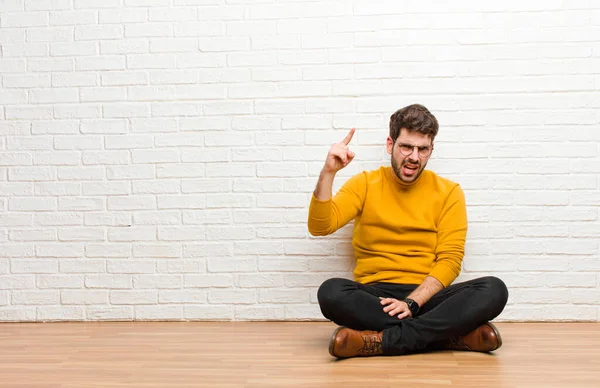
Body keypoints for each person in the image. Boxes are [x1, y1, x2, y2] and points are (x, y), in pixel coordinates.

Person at [307, 104, 509, 358]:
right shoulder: (365, 183)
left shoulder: (449, 192)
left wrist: (413, 302)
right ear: (390, 145)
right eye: (406, 147)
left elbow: (450, 259)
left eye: (422, 149)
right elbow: (320, 226)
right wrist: (328, 173)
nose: (414, 157)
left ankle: (378, 341)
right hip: (377, 297)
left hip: (428, 296)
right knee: (331, 293)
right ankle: (447, 336)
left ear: (430, 150)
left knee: (494, 289)